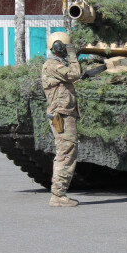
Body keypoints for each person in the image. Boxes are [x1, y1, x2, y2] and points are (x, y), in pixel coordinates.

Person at [41, 31, 82, 207]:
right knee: (66, 153)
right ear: (59, 47)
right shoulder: (53, 65)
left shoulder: (55, 65)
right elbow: (74, 73)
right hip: (62, 115)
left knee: (66, 151)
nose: (66, 50)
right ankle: (58, 195)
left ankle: (58, 193)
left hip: (64, 113)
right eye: (65, 47)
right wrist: (73, 54)